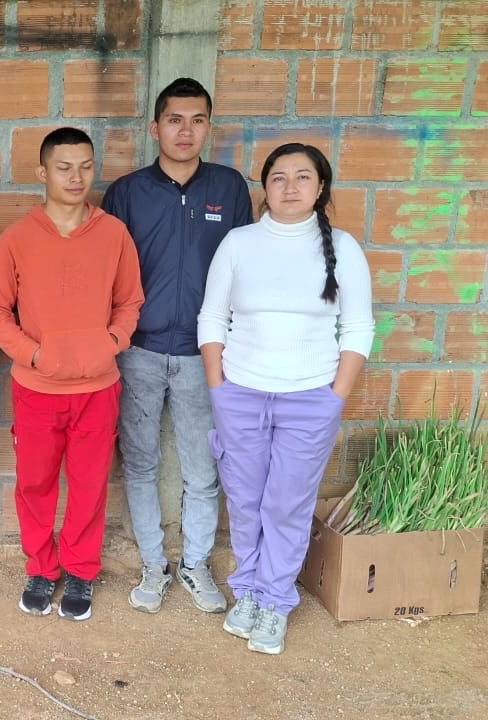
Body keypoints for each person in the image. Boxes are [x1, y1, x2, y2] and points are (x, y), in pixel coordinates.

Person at [199, 143, 373, 655]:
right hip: (242, 394)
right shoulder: (239, 243)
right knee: (247, 499)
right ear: (265, 188)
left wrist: (333, 398)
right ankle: (248, 592)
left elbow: (358, 328)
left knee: (287, 503)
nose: (290, 187)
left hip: (310, 399)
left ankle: (275, 601)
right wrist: (219, 386)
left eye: (303, 177)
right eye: (278, 177)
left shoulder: (343, 248)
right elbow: (212, 317)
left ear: (321, 189)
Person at [101, 77, 254, 615]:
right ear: (155, 128)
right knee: (139, 463)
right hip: (137, 350)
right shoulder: (126, 192)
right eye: (174, 120)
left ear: (208, 126)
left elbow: (244, 272)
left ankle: (194, 564)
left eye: (196, 120)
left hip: (203, 354)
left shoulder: (229, 187)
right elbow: (106, 273)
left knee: (202, 468)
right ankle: (152, 565)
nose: (185, 131)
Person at [0, 127, 144, 622]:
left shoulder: (114, 234)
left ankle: (79, 570)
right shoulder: (18, 238)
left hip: (98, 388)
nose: (77, 177)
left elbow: (130, 302)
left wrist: (110, 343)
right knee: (34, 484)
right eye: (64, 167)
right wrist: (31, 355)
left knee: (90, 484)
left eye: (86, 166)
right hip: (36, 389)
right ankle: (41, 568)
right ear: (43, 173)